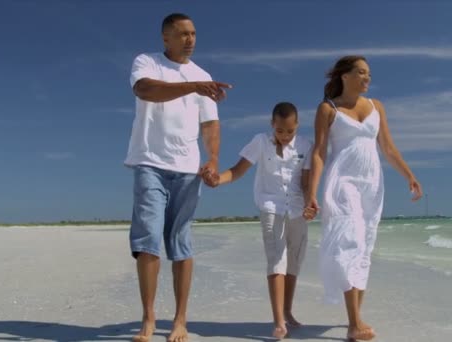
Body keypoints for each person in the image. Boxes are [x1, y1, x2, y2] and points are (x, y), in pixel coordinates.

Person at [124, 13, 232, 342]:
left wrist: (212, 159)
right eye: (183, 34)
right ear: (166, 38)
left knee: (181, 243)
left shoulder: (203, 76)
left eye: (194, 33)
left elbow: (210, 125)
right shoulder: (147, 62)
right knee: (148, 242)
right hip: (149, 163)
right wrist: (192, 86)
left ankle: (180, 320)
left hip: (188, 169)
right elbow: (145, 91)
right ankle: (148, 318)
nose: (190, 39)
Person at [304, 55, 422, 341]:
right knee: (350, 241)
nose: (367, 78)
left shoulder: (375, 107)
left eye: (369, 74)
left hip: (372, 183)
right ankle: (354, 322)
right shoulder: (328, 109)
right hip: (342, 182)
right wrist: (311, 193)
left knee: (365, 246)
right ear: (344, 76)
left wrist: (409, 175)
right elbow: (319, 153)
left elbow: (388, 148)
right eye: (361, 73)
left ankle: (355, 317)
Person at [212, 102, 314, 339]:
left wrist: (310, 204)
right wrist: (218, 179)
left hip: (298, 210)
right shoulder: (260, 141)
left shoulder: (306, 145)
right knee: (276, 259)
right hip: (271, 206)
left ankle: (288, 311)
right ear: (272, 125)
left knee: (294, 262)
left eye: (290, 131)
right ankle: (278, 321)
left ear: (297, 125)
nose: (285, 136)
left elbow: (306, 182)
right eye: (280, 131)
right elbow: (238, 170)